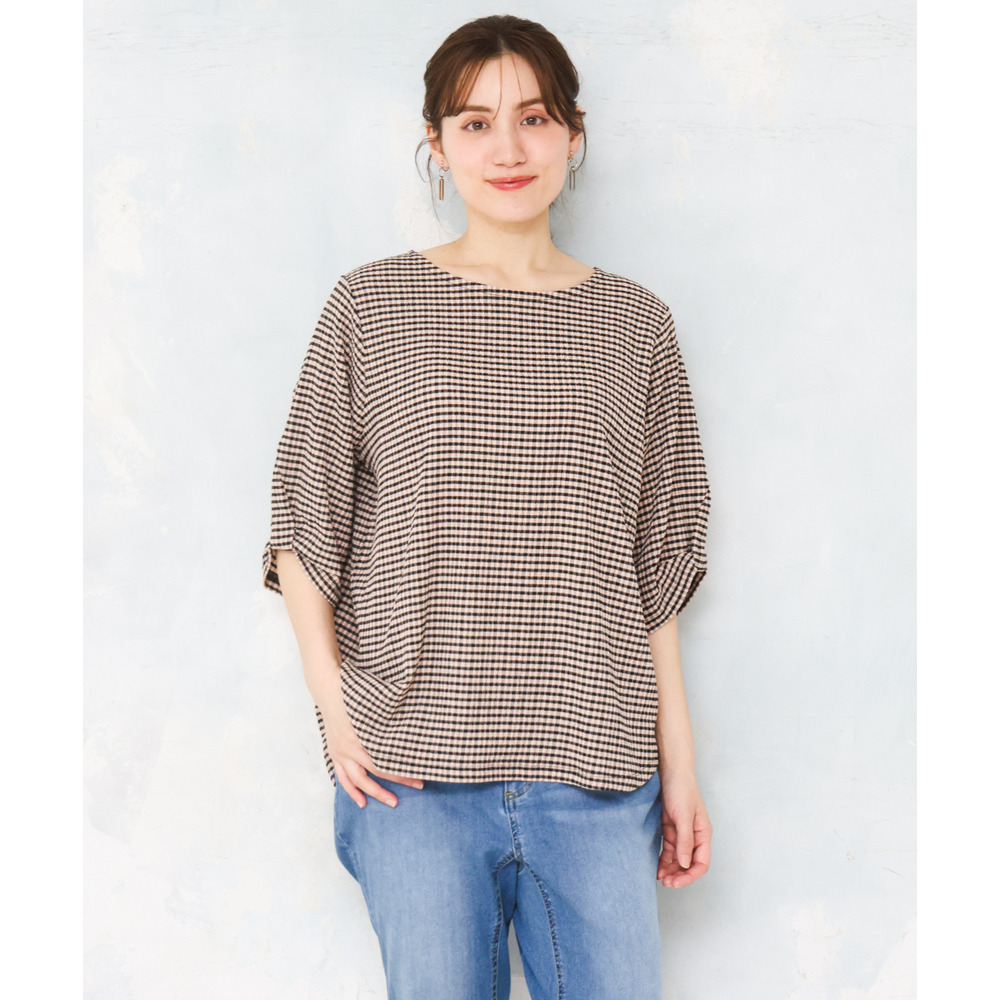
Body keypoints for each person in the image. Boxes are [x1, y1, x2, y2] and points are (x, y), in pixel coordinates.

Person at [263, 14, 712, 1000]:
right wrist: (340, 720)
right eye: (474, 123)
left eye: (534, 118)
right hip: (412, 779)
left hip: (599, 773)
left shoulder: (636, 326)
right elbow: (303, 526)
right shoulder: (369, 308)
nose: (507, 148)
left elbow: (658, 567)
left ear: (573, 134)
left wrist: (679, 767)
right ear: (435, 143)